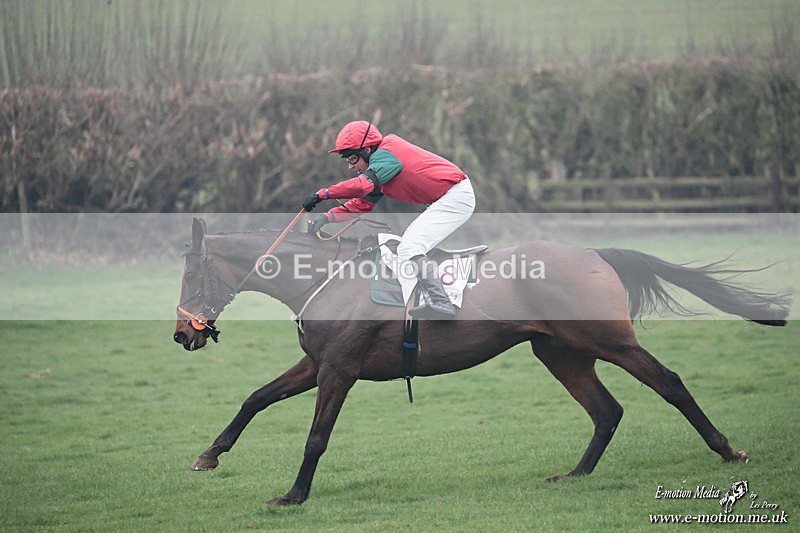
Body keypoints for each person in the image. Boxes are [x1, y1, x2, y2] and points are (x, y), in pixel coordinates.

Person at [302, 120, 476, 319]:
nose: (350, 166)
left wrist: (323, 194)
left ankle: (442, 302)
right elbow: (361, 205)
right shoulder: (378, 168)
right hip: (447, 198)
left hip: (455, 197)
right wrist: (326, 218)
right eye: (347, 161)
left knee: (409, 248)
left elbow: (361, 186)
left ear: (367, 149)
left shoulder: (386, 155)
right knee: (410, 247)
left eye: (352, 158)